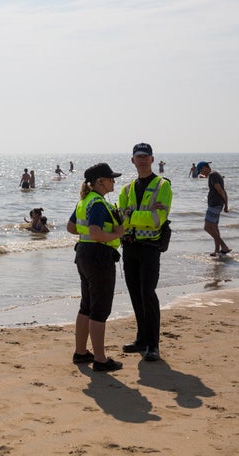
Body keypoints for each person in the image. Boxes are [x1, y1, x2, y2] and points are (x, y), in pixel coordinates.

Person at [117, 143, 173, 362]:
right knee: (135, 294)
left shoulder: (163, 185)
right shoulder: (126, 189)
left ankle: (153, 344)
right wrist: (136, 216)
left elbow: (158, 219)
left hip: (150, 248)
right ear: (132, 160)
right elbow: (121, 218)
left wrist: (132, 216)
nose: (141, 160)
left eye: (145, 156)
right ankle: (141, 339)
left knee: (148, 294)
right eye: (138, 156)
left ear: (152, 159)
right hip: (130, 246)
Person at [67, 163, 125, 372]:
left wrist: (91, 236)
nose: (114, 182)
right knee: (100, 310)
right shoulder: (99, 203)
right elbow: (96, 233)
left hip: (83, 253)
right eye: (110, 178)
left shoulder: (85, 201)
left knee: (87, 305)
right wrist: (118, 234)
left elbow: (71, 227)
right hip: (99, 257)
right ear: (100, 182)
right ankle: (100, 359)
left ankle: (81, 352)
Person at [197, 161, 231, 257]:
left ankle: (224, 246)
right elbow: (223, 191)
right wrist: (225, 205)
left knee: (207, 227)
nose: (201, 173)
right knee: (215, 228)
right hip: (217, 204)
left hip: (214, 204)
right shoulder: (214, 174)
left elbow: (220, 190)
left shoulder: (213, 175)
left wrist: (225, 204)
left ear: (205, 168)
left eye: (200, 170)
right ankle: (217, 250)